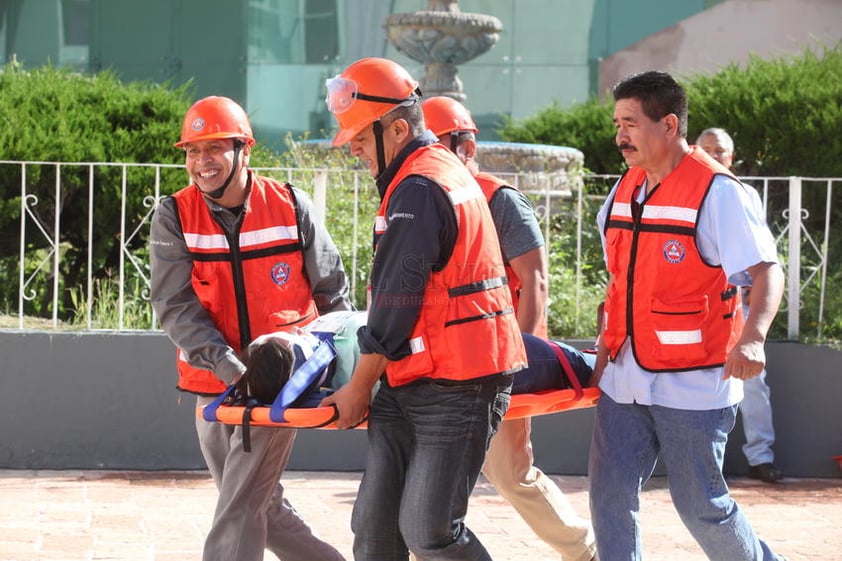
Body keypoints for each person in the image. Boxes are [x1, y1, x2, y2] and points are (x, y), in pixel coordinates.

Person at [321, 57, 527, 561]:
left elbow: (395, 305)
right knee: (374, 528)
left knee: (429, 529)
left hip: (458, 381)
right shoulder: (427, 173)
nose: (356, 151)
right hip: (415, 374)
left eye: (362, 141)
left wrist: (358, 385)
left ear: (395, 128)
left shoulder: (418, 187)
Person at [589, 71, 786, 561]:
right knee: (609, 494)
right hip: (625, 377)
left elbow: (767, 271)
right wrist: (603, 346)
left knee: (701, 504)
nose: (620, 136)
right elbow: (621, 283)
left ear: (669, 124)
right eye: (617, 123)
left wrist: (754, 337)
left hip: (696, 382)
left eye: (630, 123)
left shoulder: (719, 192)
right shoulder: (624, 189)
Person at [149, 95, 351, 561]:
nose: (202, 162)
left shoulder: (291, 205)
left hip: (280, 381)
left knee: (239, 508)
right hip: (213, 385)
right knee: (259, 505)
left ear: (245, 150)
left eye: (214, 148)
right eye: (192, 151)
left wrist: (341, 371)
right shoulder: (174, 215)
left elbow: (333, 294)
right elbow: (174, 304)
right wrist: (229, 368)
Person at [421, 95, 597, 561]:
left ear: (465, 146)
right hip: (444, 362)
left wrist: (524, 361)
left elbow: (535, 282)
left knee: (510, 471)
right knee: (425, 477)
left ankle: (583, 551)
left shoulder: (499, 199)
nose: (428, 155)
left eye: (437, 144)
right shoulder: (420, 198)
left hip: (501, 360)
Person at [237, 310, 595, 408]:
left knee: (583, 366)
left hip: (481, 351)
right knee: (579, 367)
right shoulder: (335, 350)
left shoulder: (338, 374)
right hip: (480, 353)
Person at [696, 127, 783, 483]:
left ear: (731, 157)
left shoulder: (744, 194)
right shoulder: (683, 191)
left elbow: (763, 259)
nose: (714, 156)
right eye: (707, 149)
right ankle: (699, 465)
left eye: (721, 151)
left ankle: (761, 458)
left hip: (738, 304)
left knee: (754, 384)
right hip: (696, 310)